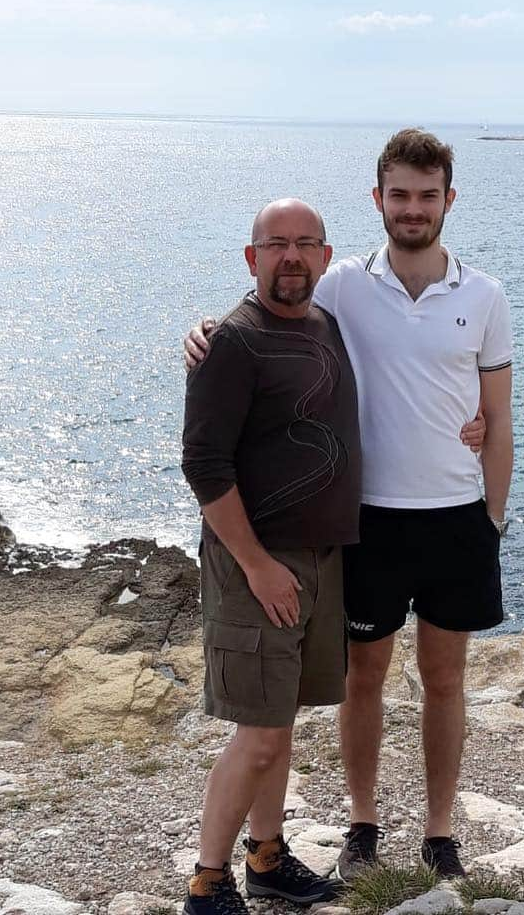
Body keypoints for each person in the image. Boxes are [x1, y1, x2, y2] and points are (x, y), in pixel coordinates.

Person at [186, 129, 514, 881]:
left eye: (427, 196)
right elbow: (270, 306)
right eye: (399, 194)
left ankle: (439, 830)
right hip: (365, 520)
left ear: (448, 202)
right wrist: (201, 331)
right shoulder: (342, 284)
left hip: (456, 518)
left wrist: (491, 522)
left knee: (447, 680)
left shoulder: (485, 295)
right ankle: (363, 820)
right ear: (378, 200)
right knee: (361, 679)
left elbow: (497, 422)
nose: (413, 209)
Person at [180, 199, 360, 915]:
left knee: (280, 723)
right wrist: (255, 564)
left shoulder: (328, 324)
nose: (291, 256)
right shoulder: (232, 341)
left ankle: (267, 859)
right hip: (255, 565)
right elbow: (204, 466)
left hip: (319, 561)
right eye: (275, 244)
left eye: (304, 243)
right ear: (250, 259)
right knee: (257, 735)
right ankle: (207, 880)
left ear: (324, 255)